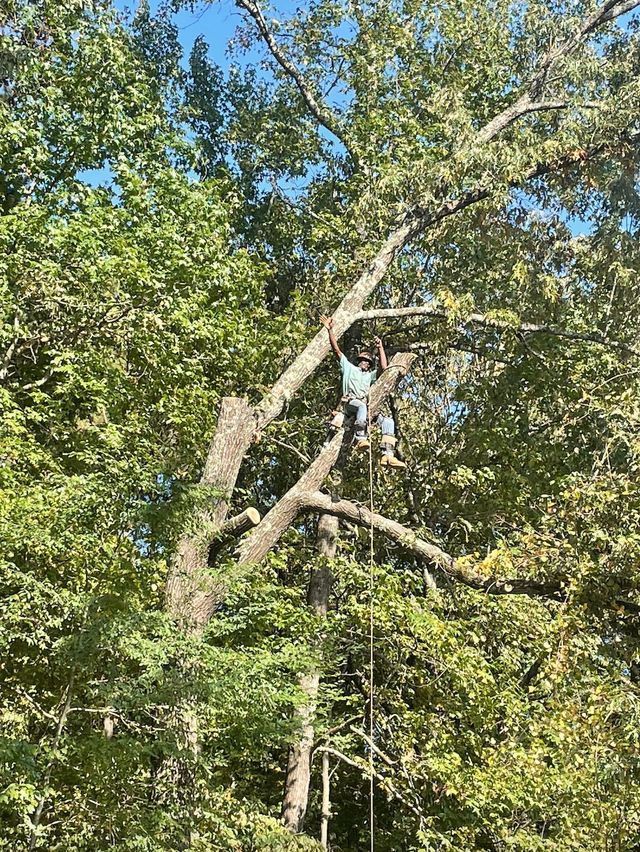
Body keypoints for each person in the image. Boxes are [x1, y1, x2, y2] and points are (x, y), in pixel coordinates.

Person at [320, 315, 406, 468]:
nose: (366, 363)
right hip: (350, 404)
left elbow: (384, 369)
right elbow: (336, 350)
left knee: (388, 421)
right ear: (359, 361)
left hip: (365, 408)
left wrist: (380, 348)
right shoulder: (349, 368)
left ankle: (388, 455)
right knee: (360, 405)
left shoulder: (370, 376)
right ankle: (361, 437)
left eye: (368, 362)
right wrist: (330, 331)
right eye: (364, 360)